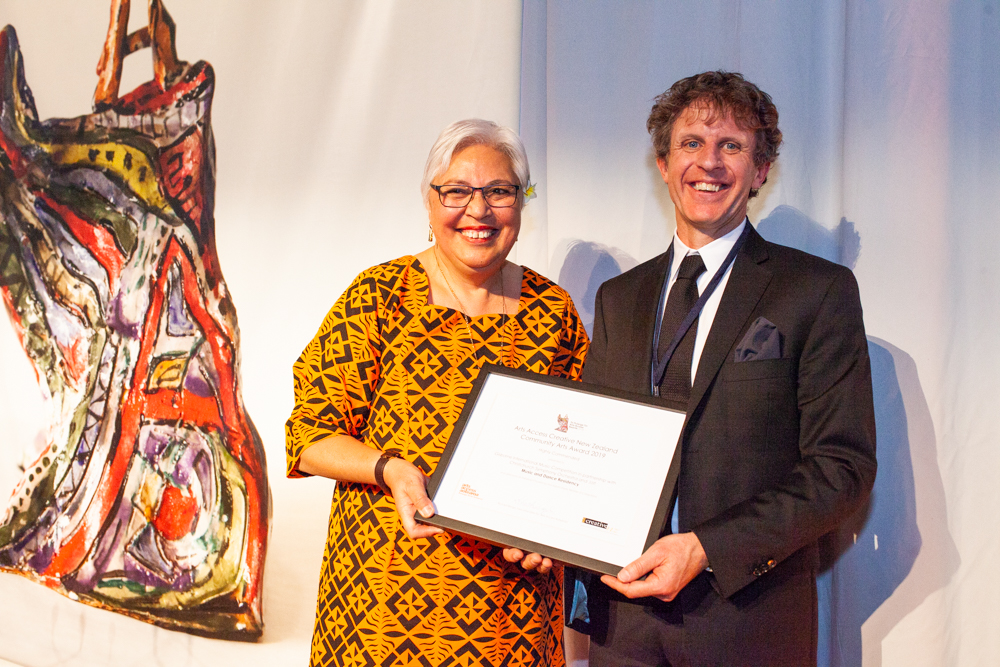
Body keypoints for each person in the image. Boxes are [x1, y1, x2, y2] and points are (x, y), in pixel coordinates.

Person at [579, 71, 878, 666]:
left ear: (761, 170)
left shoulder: (816, 291)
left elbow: (842, 467)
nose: (708, 163)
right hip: (624, 624)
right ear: (663, 164)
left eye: (731, 146)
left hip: (748, 625)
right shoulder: (620, 297)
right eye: (691, 143)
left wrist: (707, 548)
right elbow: (593, 444)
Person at [285, 119, 589, 667]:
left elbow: (579, 450)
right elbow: (308, 437)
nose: (479, 211)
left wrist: (557, 528)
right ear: (429, 203)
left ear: (521, 204)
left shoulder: (554, 312)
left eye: (499, 192)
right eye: (457, 192)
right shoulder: (380, 295)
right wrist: (392, 469)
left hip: (512, 613)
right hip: (382, 609)